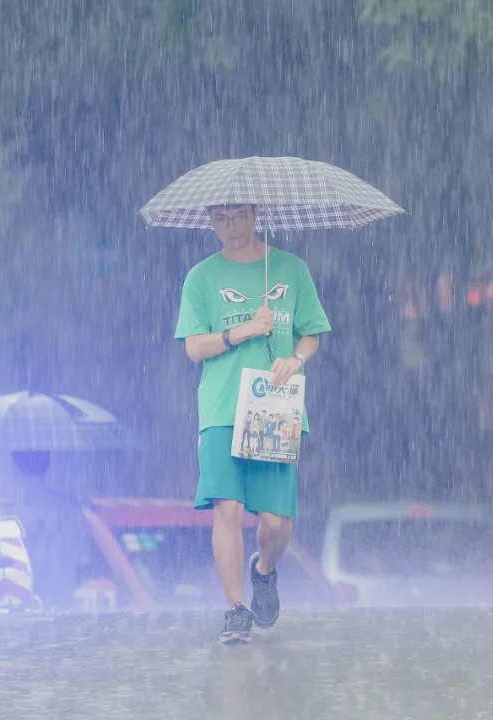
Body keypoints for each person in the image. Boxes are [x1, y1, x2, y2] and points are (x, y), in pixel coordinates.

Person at [175, 203, 331, 644]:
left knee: (278, 521)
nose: (230, 227)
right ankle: (235, 609)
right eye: (220, 219)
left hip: (273, 408)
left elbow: (312, 333)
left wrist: (294, 360)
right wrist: (240, 331)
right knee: (226, 507)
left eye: (238, 216)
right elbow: (193, 346)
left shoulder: (290, 269)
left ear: (256, 214)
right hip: (222, 407)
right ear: (210, 221)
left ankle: (263, 571)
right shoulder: (201, 277)